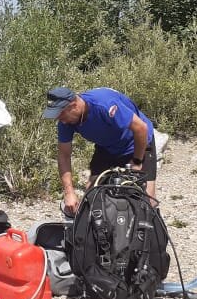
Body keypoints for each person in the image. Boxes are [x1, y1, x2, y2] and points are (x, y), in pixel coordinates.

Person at [42, 86, 157, 216]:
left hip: (136, 144)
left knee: (146, 199)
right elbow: (64, 155)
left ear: (74, 105)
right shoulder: (66, 122)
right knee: (92, 194)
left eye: (61, 114)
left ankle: (151, 230)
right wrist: (69, 193)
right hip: (106, 146)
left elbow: (141, 128)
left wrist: (137, 161)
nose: (59, 119)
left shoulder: (104, 105)